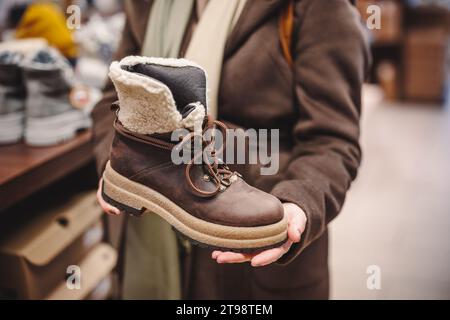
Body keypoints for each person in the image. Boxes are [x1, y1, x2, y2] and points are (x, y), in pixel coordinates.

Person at [93, 0, 370, 299]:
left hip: (251, 247)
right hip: (151, 230)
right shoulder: (150, 5)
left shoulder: (317, 7)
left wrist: (299, 201)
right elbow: (116, 94)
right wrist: (124, 163)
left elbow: (331, 139)